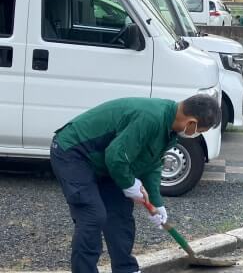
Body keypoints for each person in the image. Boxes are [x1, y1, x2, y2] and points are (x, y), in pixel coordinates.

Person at [50, 95, 221, 273]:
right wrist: (130, 184)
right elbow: (116, 156)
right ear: (191, 123)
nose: (196, 134)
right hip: (74, 152)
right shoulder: (151, 118)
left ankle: (126, 269)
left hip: (103, 161)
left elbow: (152, 165)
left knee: (120, 213)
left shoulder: (168, 129)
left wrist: (156, 203)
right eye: (200, 130)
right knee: (93, 215)